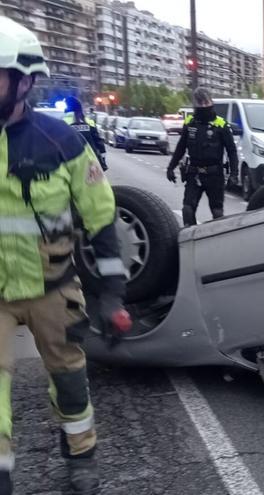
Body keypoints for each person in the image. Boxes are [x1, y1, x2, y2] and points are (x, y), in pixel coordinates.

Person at [0, 18, 131, 495]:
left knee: (70, 377)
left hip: (52, 288)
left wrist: (112, 295)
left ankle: (81, 453)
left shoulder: (62, 143)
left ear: (24, 81)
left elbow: (101, 219)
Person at [166, 87, 238, 226]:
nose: (204, 106)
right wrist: (171, 167)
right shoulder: (190, 123)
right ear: (195, 104)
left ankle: (216, 237)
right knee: (187, 210)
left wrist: (234, 174)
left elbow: (232, 151)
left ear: (211, 102)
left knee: (217, 214)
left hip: (214, 175)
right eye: (200, 103)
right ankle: (192, 235)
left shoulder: (221, 124)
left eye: (206, 102)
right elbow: (181, 147)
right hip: (194, 173)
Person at [62, 96, 107, 171]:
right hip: (90, 161)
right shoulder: (89, 122)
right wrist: (102, 160)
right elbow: (99, 143)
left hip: (70, 162)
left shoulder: (62, 122)